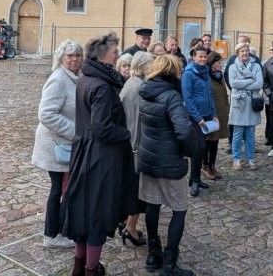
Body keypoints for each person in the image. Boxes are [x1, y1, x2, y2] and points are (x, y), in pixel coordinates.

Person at [62, 32, 137, 276]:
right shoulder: (102, 86)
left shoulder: (86, 78)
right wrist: (126, 134)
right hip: (99, 158)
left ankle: (78, 266)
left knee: (83, 210)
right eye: (115, 52)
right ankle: (91, 270)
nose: (118, 55)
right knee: (97, 213)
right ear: (103, 55)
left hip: (85, 153)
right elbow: (101, 128)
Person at [137, 54, 198, 276]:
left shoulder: (145, 91)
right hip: (170, 160)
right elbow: (183, 131)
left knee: (152, 205)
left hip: (148, 157)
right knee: (179, 209)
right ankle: (169, 264)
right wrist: (190, 152)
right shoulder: (171, 96)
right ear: (173, 71)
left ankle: (154, 254)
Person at [30, 39, 82, 249]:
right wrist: (75, 132)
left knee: (64, 188)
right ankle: (52, 235)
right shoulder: (59, 79)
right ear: (61, 58)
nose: (74, 59)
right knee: (58, 190)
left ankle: (60, 229)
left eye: (77, 55)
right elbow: (46, 114)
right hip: (56, 144)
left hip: (66, 144)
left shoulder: (75, 78)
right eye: (70, 55)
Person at [118, 51, 155, 248]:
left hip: (133, 145)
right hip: (135, 147)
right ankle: (130, 227)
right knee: (137, 192)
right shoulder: (137, 87)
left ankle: (128, 224)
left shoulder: (134, 84)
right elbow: (136, 121)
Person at [181, 46, 216, 197]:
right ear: (194, 57)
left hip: (207, 115)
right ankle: (194, 180)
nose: (203, 59)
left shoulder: (206, 72)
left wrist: (213, 113)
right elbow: (187, 98)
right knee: (198, 148)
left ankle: (195, 178)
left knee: (203, 148)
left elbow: (210, 94)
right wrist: (198, 118)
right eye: (200, 57)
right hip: (196, 118)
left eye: (204, 57)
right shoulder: (188, 74)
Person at [228, 41, 264, 170]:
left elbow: (259, 84)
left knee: (250, 133)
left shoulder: (256, 66)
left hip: (252, 103)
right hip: (239, 104)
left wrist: (242, 83)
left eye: (246, 51)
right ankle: (236, 159)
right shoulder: (233, 67)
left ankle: (250, 159)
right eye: (242, 51)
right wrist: (250, 81)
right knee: (237, 133)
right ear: (237, 53)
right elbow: (233, 84)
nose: (245, 53)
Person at [203, 51, 230, 180]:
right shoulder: (206, 76)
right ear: (212, 64)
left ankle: (212, 165)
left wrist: (226, 107)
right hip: (210, 115)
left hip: (221, 114)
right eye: (219, 62)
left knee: (216, 141)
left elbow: (225, 93)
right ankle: (205, 165)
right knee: (208, 140)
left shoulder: (220, 76)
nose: (221, 64)